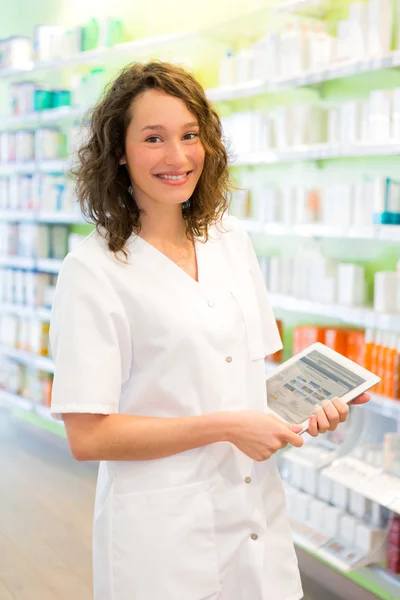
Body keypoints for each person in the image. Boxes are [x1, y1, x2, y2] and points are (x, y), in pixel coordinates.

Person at [50, 61, 370, 600]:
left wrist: (303, 410)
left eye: (190, 135)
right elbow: (88, 437)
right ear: (120, 151)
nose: (178, 157)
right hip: (163, 538)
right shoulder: (93, 270)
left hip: (254, 519)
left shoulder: (229, 238)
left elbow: (245, 386)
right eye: (154, 138)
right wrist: (225, 426)